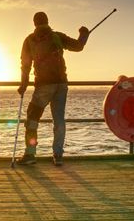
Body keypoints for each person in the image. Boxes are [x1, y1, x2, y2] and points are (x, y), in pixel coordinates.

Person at [17, 11, 89, 166]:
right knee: (59, 120)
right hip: (61, 85)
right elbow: (78, 46)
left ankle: (30, 154)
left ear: (34, 23)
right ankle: (58, 156)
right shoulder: (57, 36)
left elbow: (25, 65)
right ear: (48, 21)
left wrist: (23, 85)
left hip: (43, 85)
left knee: (32, 119)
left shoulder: (30, 40)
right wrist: (84, 34)